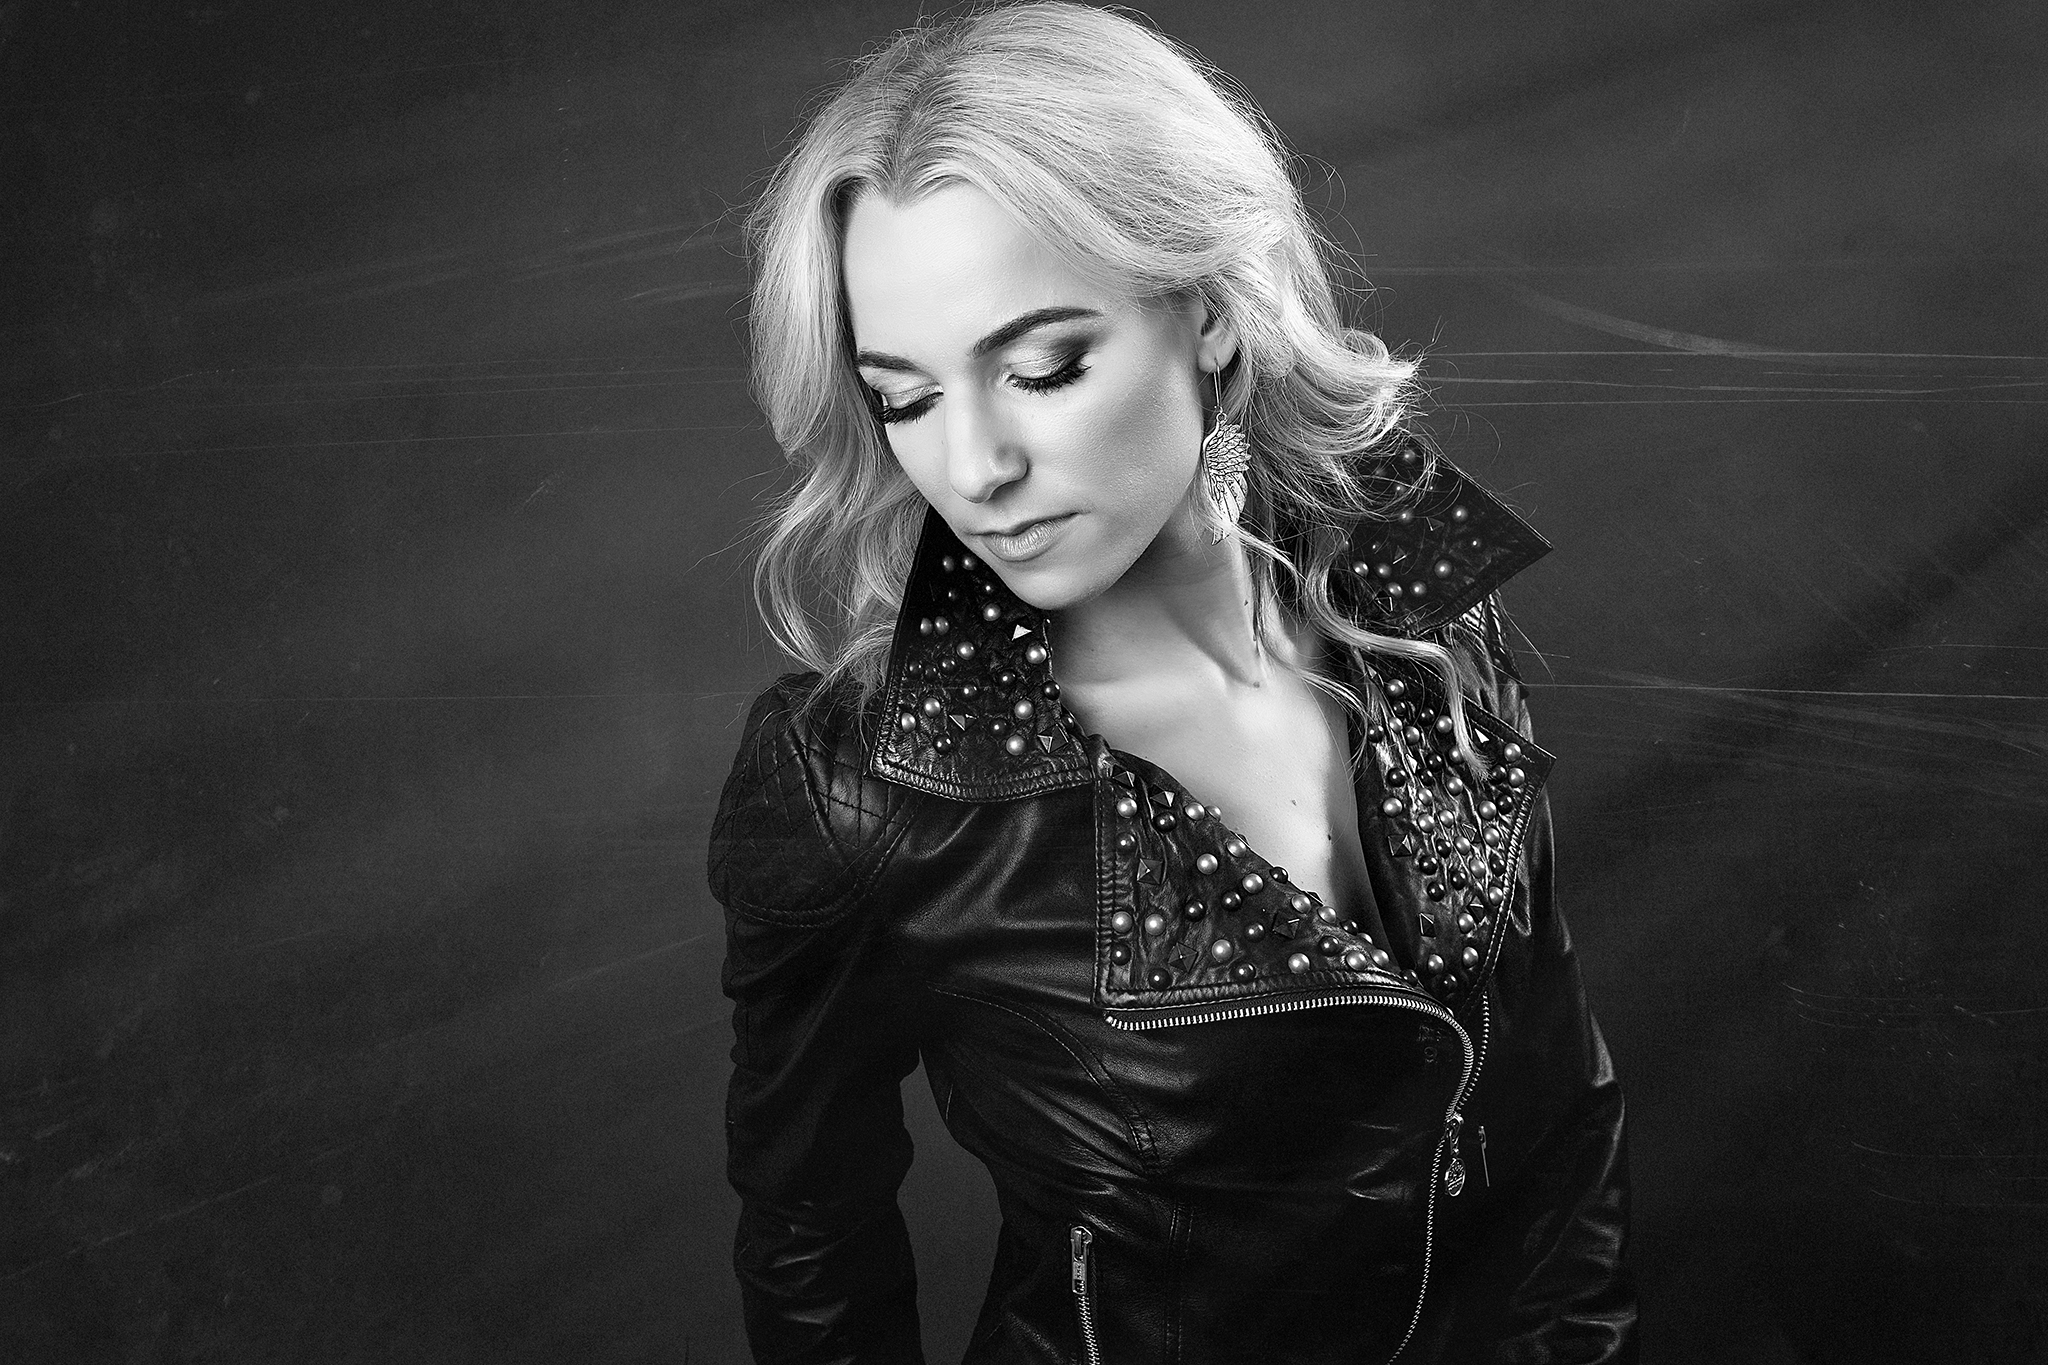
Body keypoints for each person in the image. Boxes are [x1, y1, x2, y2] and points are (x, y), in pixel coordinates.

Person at [707, 4, 1634, 1361]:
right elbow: (812, 1242)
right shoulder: (861, 781)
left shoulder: (1412, 577)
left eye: (1042, 368)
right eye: (904, 397)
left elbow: (1561, 1118)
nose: (974, 468)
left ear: (1209, 313)